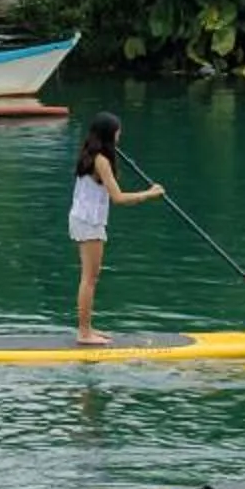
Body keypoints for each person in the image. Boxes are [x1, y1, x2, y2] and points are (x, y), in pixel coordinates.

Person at [68, 112, 163, 345]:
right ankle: (84, 333)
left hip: (84, 218)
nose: (121, 135)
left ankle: (87, 327)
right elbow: (118, 198)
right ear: (110, 134)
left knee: (91, 277)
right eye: (118, 131)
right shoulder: (100, 160)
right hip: (89, 221)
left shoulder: (91, 153)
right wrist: (149, 194)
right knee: (89, 278)